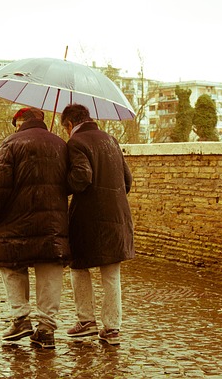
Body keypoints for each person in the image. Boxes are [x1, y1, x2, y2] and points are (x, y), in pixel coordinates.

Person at [0, 107, 70, 349]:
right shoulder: (60, 144)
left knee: (11, 265)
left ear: (20, 122)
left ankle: (21, 317)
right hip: (52, 221)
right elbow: (71, 182)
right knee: (50, 268)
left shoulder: (10, 143)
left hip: (16, 220)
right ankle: (46, 328)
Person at [60, 103, 135, 346]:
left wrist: (63, 185)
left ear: (70, 124)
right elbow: (127, 180)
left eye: (65, 129)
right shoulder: (111, 140)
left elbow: (82, 176)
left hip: (88, 217)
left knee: (78, 266)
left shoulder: (76, 143)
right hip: (117, 216)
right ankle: (112, 328)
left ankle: (86, 321)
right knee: (111, 273)